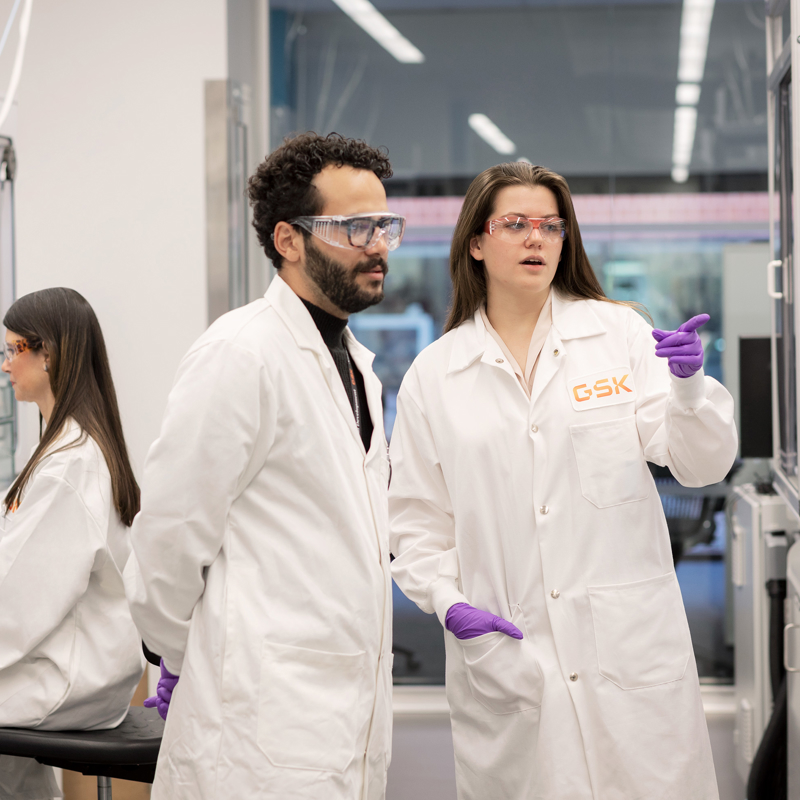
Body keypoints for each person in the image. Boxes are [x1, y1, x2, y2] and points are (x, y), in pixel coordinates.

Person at [388, 162, 737, 800]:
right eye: (515, 224)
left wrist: (689, 390)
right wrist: (447, 600)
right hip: (509, 651)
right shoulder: (436, 375)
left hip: (627, 651)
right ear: (475, 242)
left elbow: (699, 464)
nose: (536, 239)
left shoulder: (619, 335)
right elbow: (414, 520)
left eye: (551, 226)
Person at [124, 132, 403, 800]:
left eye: (385, 225)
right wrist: (196, 655)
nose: (378, 245)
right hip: (258, 725)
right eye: (355, 227)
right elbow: (167, 537)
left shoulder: (356, 366)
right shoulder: (240, 354)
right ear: (288, 239)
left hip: (335, 718)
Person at [0, 288, 144, 800]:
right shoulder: (74, 446)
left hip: (67, 679)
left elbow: (18, 601)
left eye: (13, 350)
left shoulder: (69, 464)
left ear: (49, 353)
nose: (6, 366)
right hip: (76, 670)